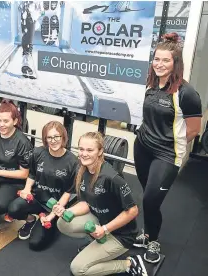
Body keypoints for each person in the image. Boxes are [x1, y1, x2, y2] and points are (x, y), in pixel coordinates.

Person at [133, 32, 202, 263]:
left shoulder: (186, 93)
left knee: (151, 200)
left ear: (176, 63)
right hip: (143, 147)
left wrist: (172, 145)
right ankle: (146, 233)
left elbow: (193, 129)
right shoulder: (151, 84)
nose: (159, 64)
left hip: (166, 154)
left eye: (165, 60)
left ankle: (153, 239)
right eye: (156, 59)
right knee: (147, 197)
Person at [57, 132, 147, 276]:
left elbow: (133, 211)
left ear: (100, 152)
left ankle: (129, 264)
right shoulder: (82, 170)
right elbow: (87, 202)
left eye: (89, 150)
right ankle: (95, 243)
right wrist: (68, 211)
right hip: (100, 220)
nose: (84, 154)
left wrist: (104, 229)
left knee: (78, 269)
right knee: (62, 223)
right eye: (81, 149)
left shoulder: (112, 178)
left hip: (121, 235)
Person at [7, 121, 78, 250]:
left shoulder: (73, 162)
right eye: (49, 137)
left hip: (55, 206)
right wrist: (27, 189)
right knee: (13, 208)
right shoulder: (38, 153)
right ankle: (31, 220)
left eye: (57, 136)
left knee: (35, 245)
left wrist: (51, 216)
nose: (53, 140)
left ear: (63, 137)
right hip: (36, 199)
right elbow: (32, 174)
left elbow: (68, 192)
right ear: (45, 139)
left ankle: (54, 225)